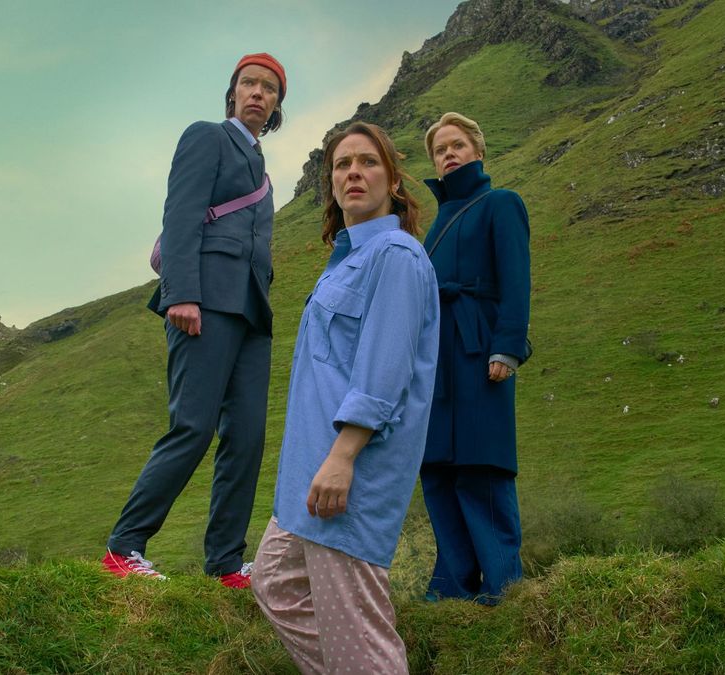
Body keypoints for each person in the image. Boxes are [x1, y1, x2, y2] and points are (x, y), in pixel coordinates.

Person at [251, 122, 439, 674]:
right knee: (275, 583)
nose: (353, 172)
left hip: (347, 468)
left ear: (393, 180)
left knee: (358, 632)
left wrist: (343, 458)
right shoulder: (349, 258)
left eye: (368, 162)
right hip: (308, 470)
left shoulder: (396, 257)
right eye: (341, 164)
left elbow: (384, 373)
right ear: (330, 182)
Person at [100, 53, 286, 588]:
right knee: (194, 427)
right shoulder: (207, 136)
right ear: (233, 94)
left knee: (247, 437)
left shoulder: (264, 174)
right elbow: (180, 214)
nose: (257, 93)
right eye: (248, 83)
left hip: (252, 313)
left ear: (276, 106)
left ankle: (226, 563)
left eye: (268, 89)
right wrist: (182, 293)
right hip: (202, 302)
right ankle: (123, 548)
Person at [419, 112, 531, 605]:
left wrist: (506, 346)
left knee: (481, 464)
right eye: (441, 149)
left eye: (457, 144)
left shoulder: (501, 204)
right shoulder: (436, 223)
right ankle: (452, 585)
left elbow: (516, 280)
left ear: (478, 152)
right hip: (435, 359)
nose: (449, 154)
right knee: (438, 466)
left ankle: (503, 583)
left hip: (478, 346)